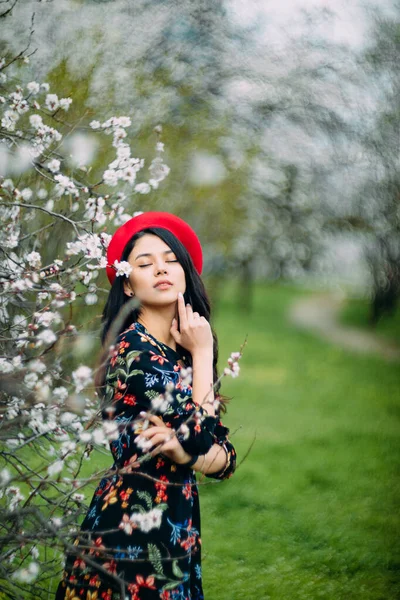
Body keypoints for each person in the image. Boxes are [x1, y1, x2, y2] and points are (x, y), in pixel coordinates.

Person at [55, 212, 237, 600]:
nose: (161, 268)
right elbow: (203, 441)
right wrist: (203, 356)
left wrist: (186, 452)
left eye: (171, 259)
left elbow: (225, 457)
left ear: (186, 273)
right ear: (127, 282)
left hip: (176, 535)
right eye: (145, 262)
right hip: (131, 539)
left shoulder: (178, 353)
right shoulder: (134, 353)